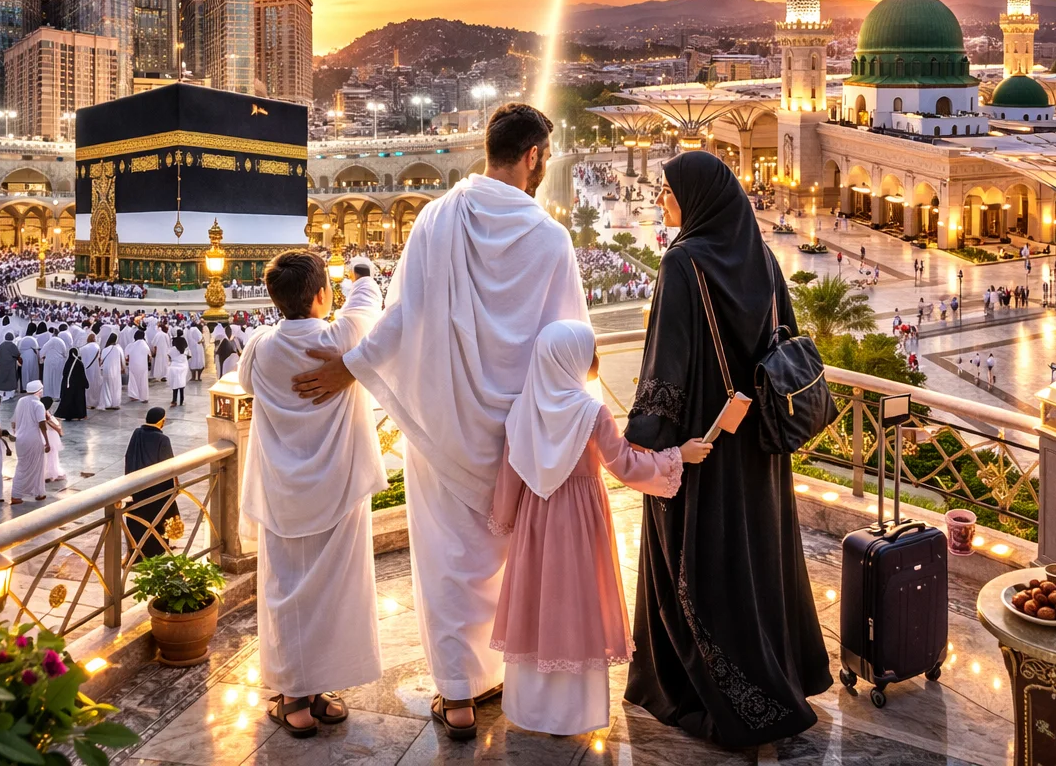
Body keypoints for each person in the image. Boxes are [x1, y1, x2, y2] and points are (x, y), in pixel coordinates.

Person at [291, 103, 588, 741]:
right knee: (513, 554)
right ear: (534, 155)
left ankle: (457, 696)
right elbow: (573, 343)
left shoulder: (436, 218)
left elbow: (402, 318)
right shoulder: (551, 238)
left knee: (450, 558)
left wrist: (351, 368)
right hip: (520, 432)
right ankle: (512, 669)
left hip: (445, 423)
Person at [622, 151, 830, 746]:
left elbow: (666, 365)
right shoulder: (761, 256)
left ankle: (706, 691)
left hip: (704, 450)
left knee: (699, 563)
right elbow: (784, 336)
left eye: (668, 192)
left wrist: (650, 445)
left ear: (696, 198)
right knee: (759, 554)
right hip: (759, 444)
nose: (663, 201)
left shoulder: (682, 264)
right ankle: (780, 671)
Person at [490, 320, 705, 736]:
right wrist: (680, 455)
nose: (596, 359)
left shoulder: (523, 408)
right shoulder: (592, 411)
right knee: (576, 604)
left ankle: (532, 707)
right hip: (579, 521)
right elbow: (625, 464)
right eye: (590, 352)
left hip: (536, 520)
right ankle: (571, 713)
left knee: (539, 604)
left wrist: (504, 518)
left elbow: (509, 473)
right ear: (571, 359)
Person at [239, 251, 385, 737]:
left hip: (283, 494)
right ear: (323, 296)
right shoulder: (339, 339)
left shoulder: (259, 347)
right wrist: (358, 274)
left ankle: (298, 695)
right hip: (339, 489)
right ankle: (306, 691)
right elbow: (367, 301)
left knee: (287, 591)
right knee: (334, 593)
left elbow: (244, 383)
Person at [124, 407, 179, 560]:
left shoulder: (136, 434)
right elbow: (170, 466)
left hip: (136, 487)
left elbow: (128, 456)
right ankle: (157, 551)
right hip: (156, 490)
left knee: (138, 521)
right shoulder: (163, 440)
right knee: (157, 519)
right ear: (162, 421)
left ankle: (137, 553)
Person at [10, 385, 50, 504]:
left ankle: (39, 492)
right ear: (38, 391)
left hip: (20, 439)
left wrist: (16, 432)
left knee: (32, 466)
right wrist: (47, 441)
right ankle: (16, 494)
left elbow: (14, 421)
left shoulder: (21, 401)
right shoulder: (38, 405)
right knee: (29, 467)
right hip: (33, 439)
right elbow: (42, 424)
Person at [57, 340, 90, 420]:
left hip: (68, 386)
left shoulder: (68, 362)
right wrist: (86, 384)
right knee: (78, 401)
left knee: (68, 400)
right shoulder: (79, 363)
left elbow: (64, 374)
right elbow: (82, 374)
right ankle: (79, 415)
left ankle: (68, 415)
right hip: (78, 387)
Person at [41, 393, 65, 484]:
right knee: (52, 455)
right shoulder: (46, 414)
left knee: (47, 456)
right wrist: (59, 430)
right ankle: (50, 473)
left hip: (46, 435)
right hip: (51, 436)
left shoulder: (42, 413)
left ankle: (46, 473)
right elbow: (54, 425)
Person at [95, 334, 124, 410]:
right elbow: (122, 360)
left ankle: (107, 403)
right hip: (116, 370)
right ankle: (115, 403)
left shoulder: (105, 349)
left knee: (106, 386)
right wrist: (123, 368)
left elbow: (101, 361)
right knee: (116, 386)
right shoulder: (118, 349)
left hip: (106, 370)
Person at [126, 329, 151, 403]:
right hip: (143, 366)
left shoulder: (131, 345)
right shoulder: (144, 344)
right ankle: (144, 397)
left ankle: (134, 395)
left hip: (133, 365)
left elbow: (126, 356)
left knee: (133, 380)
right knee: (143, 381)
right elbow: (149, 355)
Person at [167, 334, 189, 407]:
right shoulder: (185, 350)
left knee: (175, 386)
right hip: (182, 368)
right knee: (181, 385)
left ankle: (174, 400)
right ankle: (182, 401)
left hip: (173, 368)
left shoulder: (172, 349)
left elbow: (169, 356)